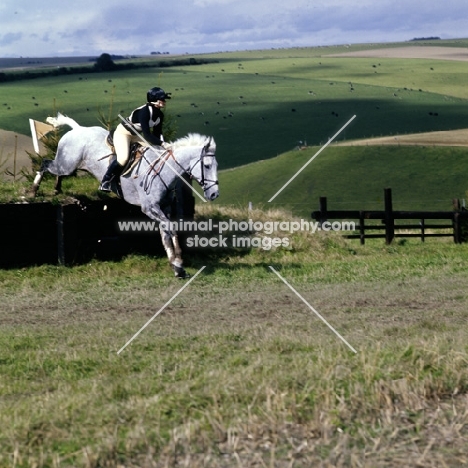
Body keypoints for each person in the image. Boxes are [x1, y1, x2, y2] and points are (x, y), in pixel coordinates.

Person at [99, 86, 171, 192]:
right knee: (123, 158)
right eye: (162, 99)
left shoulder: (159, 115)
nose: (164, 101)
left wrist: (162, 146)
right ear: (154, 100)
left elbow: (157, 133)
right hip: (123, 133)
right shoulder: (145, 112)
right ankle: (106, 180)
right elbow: (147, 135)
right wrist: (162, 144)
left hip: (136, 135)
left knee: (152, 152)